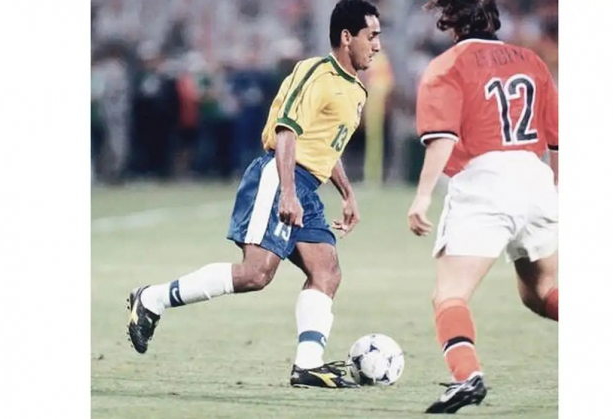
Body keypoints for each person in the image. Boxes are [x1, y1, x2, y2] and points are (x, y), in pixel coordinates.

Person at [126, 0, 382, 390]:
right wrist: (288, 193)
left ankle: (308, 365)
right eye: (371, 36)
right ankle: (152, 299)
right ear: (347, 37)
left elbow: (325, 148)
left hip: (306, 185)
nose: (377, 45)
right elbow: (286, 131)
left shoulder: (356, 90)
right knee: (256, 273)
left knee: (327, 272)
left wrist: (347, 193)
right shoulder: (315, 73)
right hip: (279, 176)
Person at [407, 0, 559, 413]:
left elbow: (443, 137)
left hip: (485, 181)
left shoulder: (447, 65)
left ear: (449, 20)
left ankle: (467, 376)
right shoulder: (531, 61)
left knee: (449, 295)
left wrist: (422, 195)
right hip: (535, 177)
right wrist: (557, 189)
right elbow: (559, 138)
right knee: (541, 293)